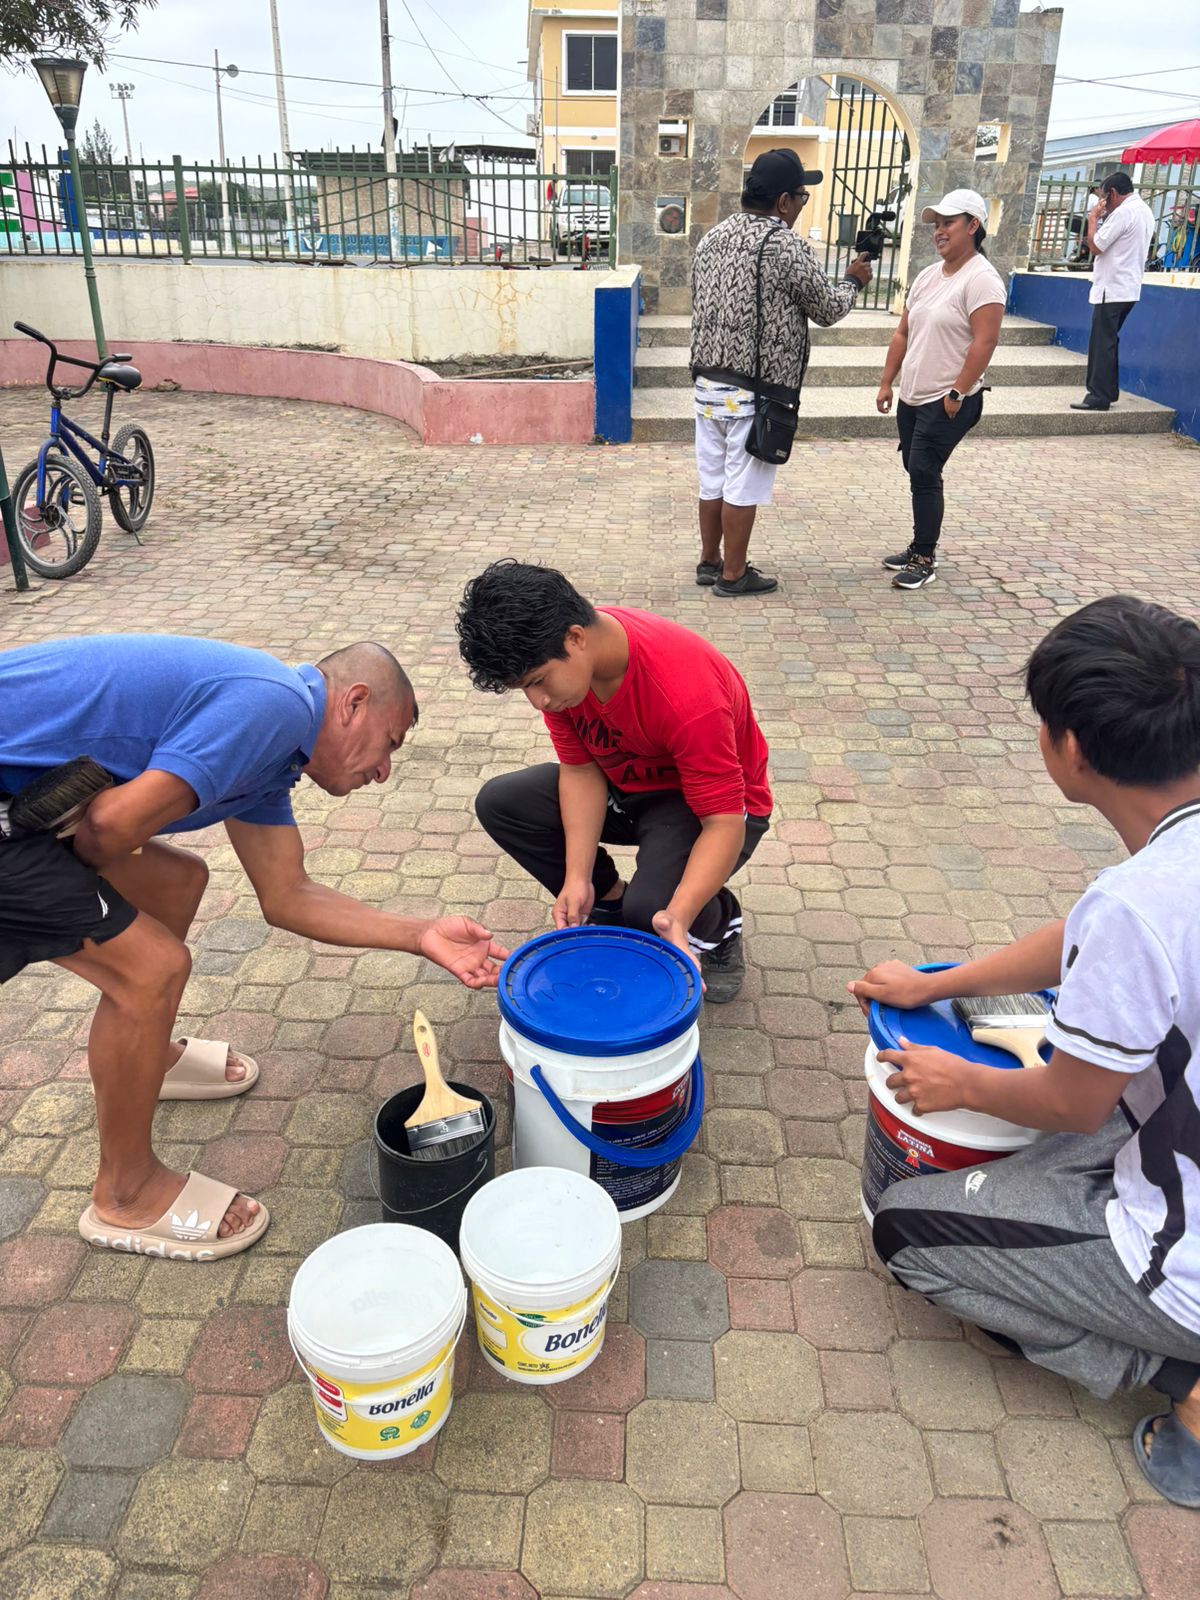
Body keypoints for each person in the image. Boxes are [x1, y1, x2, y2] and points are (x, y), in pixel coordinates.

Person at [849, 595, 1200, 1508]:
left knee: (906, 1229)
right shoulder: (1159, 874)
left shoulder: (1142, 904)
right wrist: (935, 985)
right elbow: (1087, 936)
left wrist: (959, 1079)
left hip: (1186, 1253)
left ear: (1069, 748)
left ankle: (1169, 1366)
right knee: (1040, 1149)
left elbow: (1075, 1104)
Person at [0, 635, 507, 1262]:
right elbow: (109, 826)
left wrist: (419, 934)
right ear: (353, 702)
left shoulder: (274, 752)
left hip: (25, 802)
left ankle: (146, 1054)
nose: (383, 771)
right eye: (390, 743)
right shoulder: (273, 706)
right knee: (152, 969)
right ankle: (125, 1194)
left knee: (177, 881)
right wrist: (77, 896)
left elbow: (287, 893)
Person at [457, 561, 771, 1002]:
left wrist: (678, 916)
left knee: (653, 910)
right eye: (525, 688)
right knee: (503, 802)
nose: (538, 701)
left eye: (538, 682)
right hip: (628, 785)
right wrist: (578, 877)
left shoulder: (686, 694)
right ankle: (609, 902)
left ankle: (719, 924)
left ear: (575, 638)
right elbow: (581, 771)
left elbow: (723, 822)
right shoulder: (570, 675)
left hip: (714, 807)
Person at [690, 147, 873, 598]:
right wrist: (853, 280)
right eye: (802, 197)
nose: (801, 206)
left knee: (712, 480)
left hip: (707, 384)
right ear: (784, 202)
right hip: (754, 391)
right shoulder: (783, 244)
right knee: (743, 485)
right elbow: (828, 309)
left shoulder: (712, 238)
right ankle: (734, 575)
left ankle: (710, 561)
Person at [875, 189, 1006, 590]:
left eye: (949, 223)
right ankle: (918, 545)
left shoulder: (982, 279)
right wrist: (887, 381)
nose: (939, 231)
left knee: (924, 470)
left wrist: (958, 392)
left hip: (948, 399)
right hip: (913, 394)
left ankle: (924, 558)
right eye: (936, 224)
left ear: (973, 225)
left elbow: (985, 341)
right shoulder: (928, 276)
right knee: (915, 468)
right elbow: (903, 332)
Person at [1070, 173, 1156, 413]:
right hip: (1128, 288)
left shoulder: (1123, 213)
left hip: (1112, 288)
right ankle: (1108, 391)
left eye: (1103, 197)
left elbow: (1096, 246)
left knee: (1102, 343)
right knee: (1109, 341)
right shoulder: (1144, 211)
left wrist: (1093, 218)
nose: (1102, 202)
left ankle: (1098, 396)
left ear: (1113, 194)